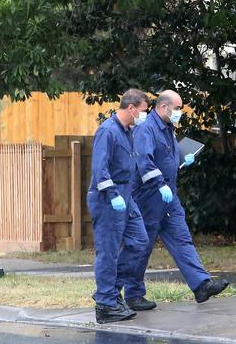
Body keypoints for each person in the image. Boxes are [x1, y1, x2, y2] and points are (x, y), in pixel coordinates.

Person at [119, 90, 228, 311]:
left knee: (182, 239)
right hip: (148, 197)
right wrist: (160, 184)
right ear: (163, 107)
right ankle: (133, 294)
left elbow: (166, 158)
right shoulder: (146, 129)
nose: (179, 113)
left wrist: (181, 159)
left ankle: (201, 285)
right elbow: (144, 162)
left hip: (168, 196)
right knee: (142, 246)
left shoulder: (167, 128)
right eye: (177, 109)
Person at [87, 89, 151, 324]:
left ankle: (111, 292)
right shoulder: (108, 131)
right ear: (132, 108)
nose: (145, 115)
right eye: (144, 111)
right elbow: (100, 168)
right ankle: (106, 304)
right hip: (108, 198)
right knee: (108, 251)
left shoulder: (127, 131)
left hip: (126, 196)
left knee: (140, 241)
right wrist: (113, 194)